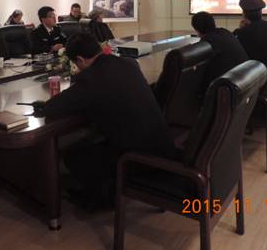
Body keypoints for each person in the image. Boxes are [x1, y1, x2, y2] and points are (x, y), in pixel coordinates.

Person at [39, 33, 174, 206]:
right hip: (162, 145)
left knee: (73, 156)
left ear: (79, 60)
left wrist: (44, 105)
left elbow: (53, 108)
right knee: (93, 140)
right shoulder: (129, 63)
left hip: (137, 157)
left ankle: (101, 199)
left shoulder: (90, 78)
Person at [191, 11, 248, 87]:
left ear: (197, 30)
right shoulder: (224, 32)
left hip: (229, 86)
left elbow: (199, 69)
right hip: (243, 79)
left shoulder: (208, 42)